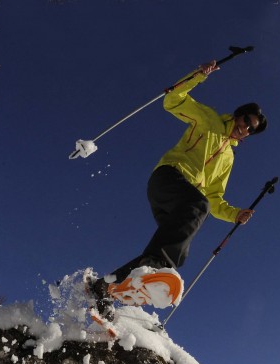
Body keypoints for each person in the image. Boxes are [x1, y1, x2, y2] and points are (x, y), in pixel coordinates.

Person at [90, 60, 266, 314]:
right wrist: (198, 75)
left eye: (252, 130)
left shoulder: (228, 158)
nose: (246, 129)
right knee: (190, 214)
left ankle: (104, 289)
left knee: (176, 250)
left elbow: (214, 198)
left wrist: (234, 214)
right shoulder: (209, 120)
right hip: (168, 178)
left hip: (181, 201)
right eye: (247, 121)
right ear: (239, 114)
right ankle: (151, 265)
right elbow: (172, 100)